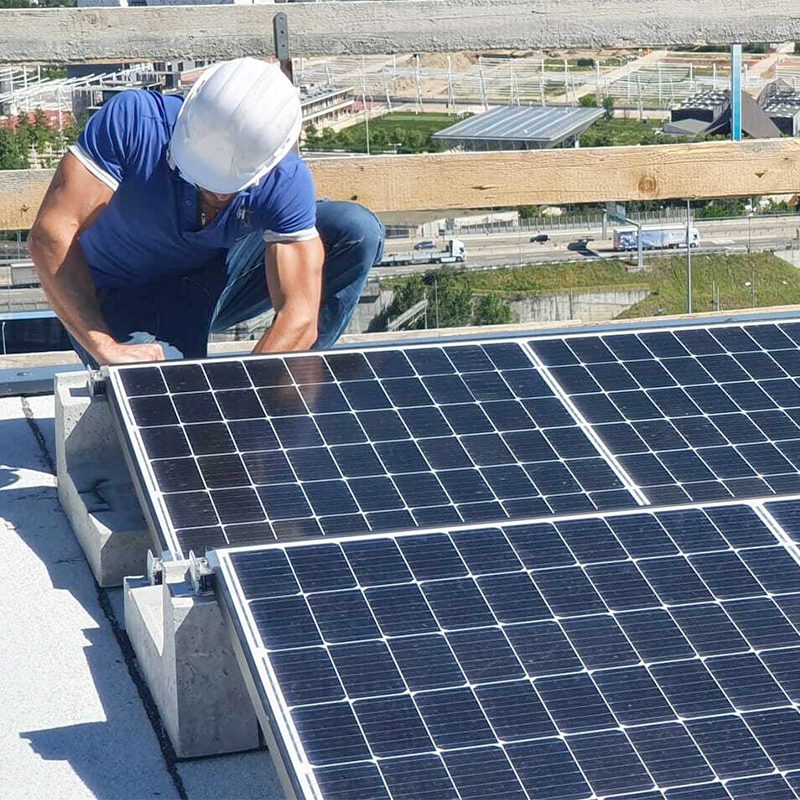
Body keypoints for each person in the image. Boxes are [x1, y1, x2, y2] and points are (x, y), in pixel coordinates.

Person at [29, 57, 385, 367]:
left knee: (355, 231)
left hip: (217, 278)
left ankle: (291, 384)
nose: (215, 192)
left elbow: (300, 314)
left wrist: (250, 394)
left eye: (229, 186)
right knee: (154, 387)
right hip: (122, 292)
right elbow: (50, 235)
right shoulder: (133, 122)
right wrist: (102, 345)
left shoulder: (284, 178)